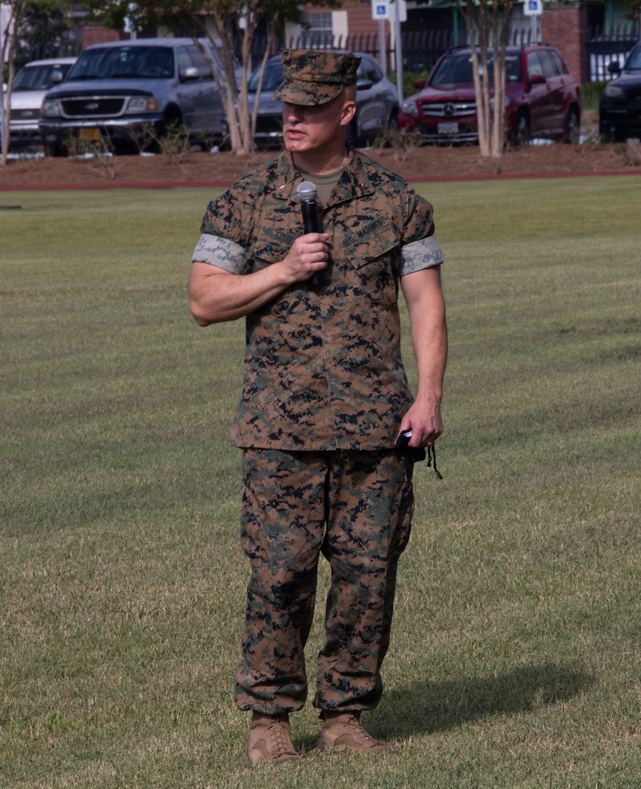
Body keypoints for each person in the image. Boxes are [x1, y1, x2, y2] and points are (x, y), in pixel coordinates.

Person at [188, 49, 447, 766]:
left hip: (376, 428)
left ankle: (345, 715)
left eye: (307, 106)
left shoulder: (398, 202)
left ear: (346, 110)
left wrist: (427, 396)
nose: (292, 117)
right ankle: (270, 719)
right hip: (280, 430)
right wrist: (281, 269)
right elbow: (203, 300)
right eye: (287, 105)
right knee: (279, 573)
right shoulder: (243, 202)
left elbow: (425, 303)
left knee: (368, 575)